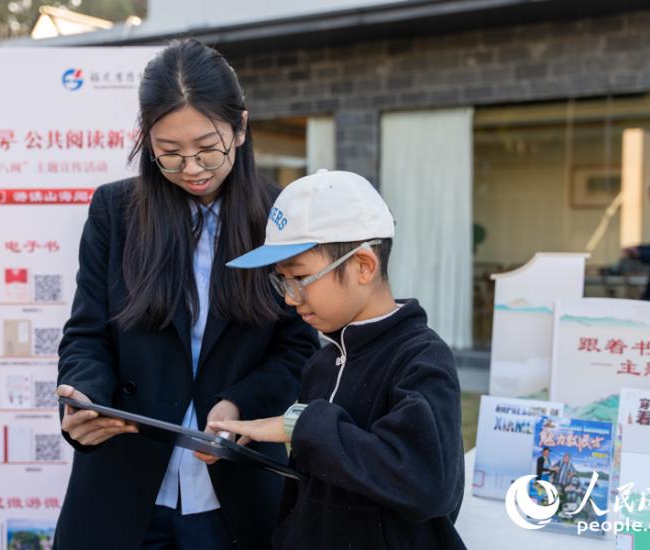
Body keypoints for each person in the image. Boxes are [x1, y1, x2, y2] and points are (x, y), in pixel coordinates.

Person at [53, 39, 319, 550]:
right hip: (125, 484)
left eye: (207, 148)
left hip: (235, 489)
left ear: (240, 128)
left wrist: (240, 403)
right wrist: (84, 397)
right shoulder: (114, 212)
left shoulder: (281, 217)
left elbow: (297, 347)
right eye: (170, 153)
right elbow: (87, 334)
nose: (192, 168)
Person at [210, 170, 467, 549]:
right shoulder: (321, 364)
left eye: (299, 278)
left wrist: (303, 425)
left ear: (363, 265)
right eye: (281, 280)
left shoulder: (421, 359)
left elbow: (427, 484)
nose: (289, 298)